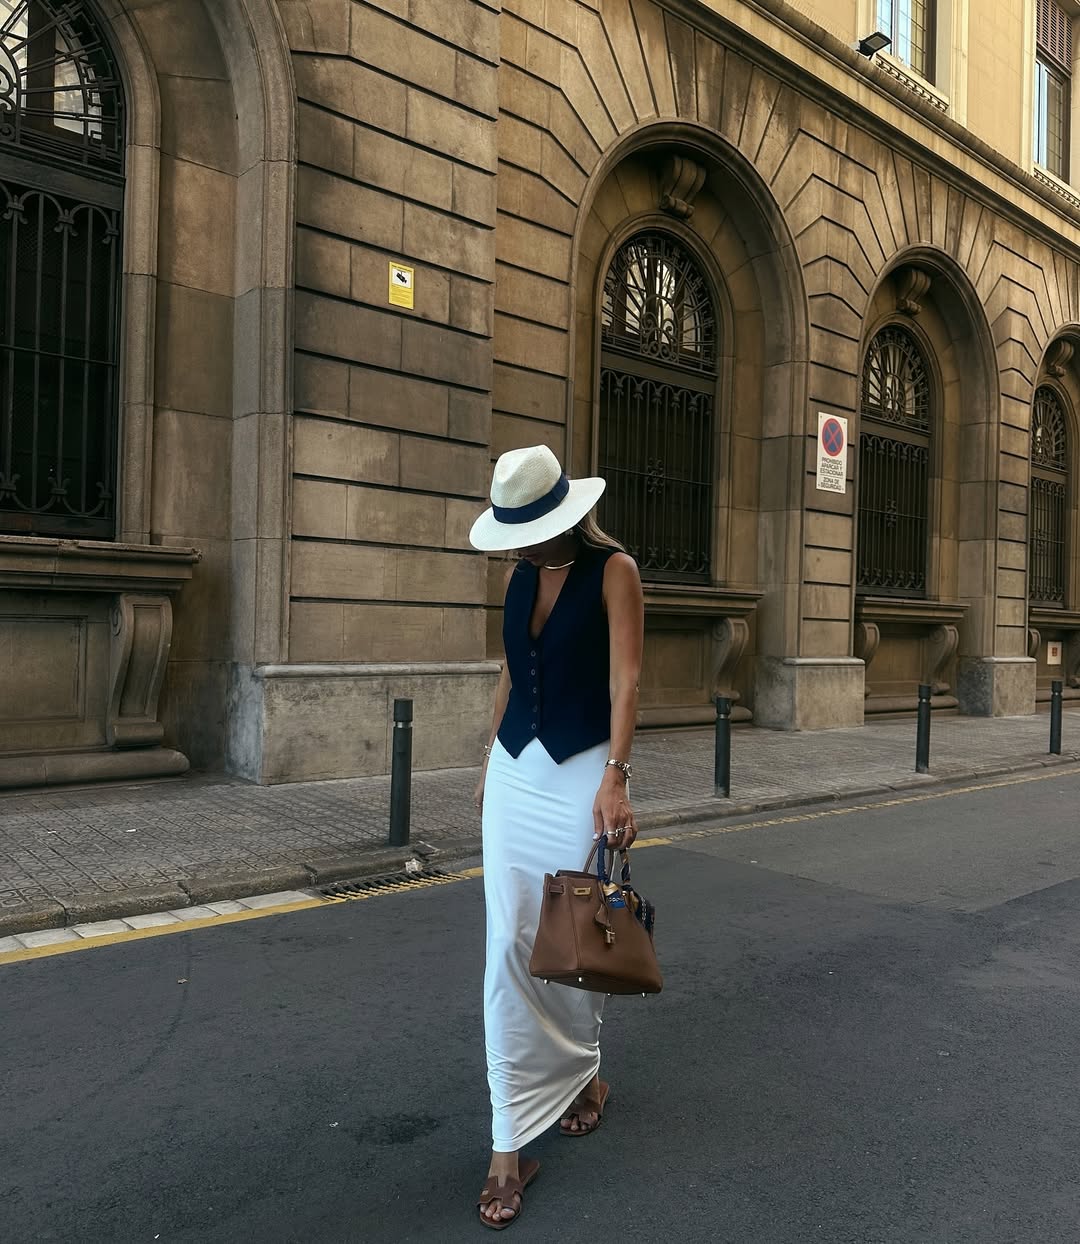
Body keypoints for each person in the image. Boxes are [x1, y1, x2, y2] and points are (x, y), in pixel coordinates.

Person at [469, 444, 645, 1230]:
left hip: (579, 772)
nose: (516, 544)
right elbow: (512, 669)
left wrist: (617, 774)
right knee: (508, 942)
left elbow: (626, 679)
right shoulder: (516, 575)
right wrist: (486, 756)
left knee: (570, 941)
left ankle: (583, 1076)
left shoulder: (615, 572)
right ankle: (508, 1145)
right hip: (515, 771)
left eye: (526, 529)